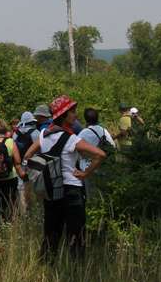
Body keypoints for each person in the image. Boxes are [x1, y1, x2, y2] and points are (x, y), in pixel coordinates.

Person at [23, 95, 106, 257]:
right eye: (72, 112)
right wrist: (85, 173)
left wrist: (38, 173)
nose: (75, 115)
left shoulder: (43, 135)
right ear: (63, 116)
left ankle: (47, 262)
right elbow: (100, 154)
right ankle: (75, 266)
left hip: (52, 188)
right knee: (76, 232)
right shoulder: (72, 139)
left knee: (51, 232)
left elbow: (27, 155)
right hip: (72, 189)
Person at [78, 108, 116, 197]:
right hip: (105, 167)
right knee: (106, 195)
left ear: (85, 119)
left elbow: (75, 149)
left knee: (92, 196)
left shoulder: (83, 133)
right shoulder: (104, 130)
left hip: (89, 169)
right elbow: (113, 146)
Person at [13, 111, 39, 210]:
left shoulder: (15, 134)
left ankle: (23, 211)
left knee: (21, 188)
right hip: (34, 164)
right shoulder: (36, 133)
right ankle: (34, 209)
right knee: (34, 187)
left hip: (19, 164)